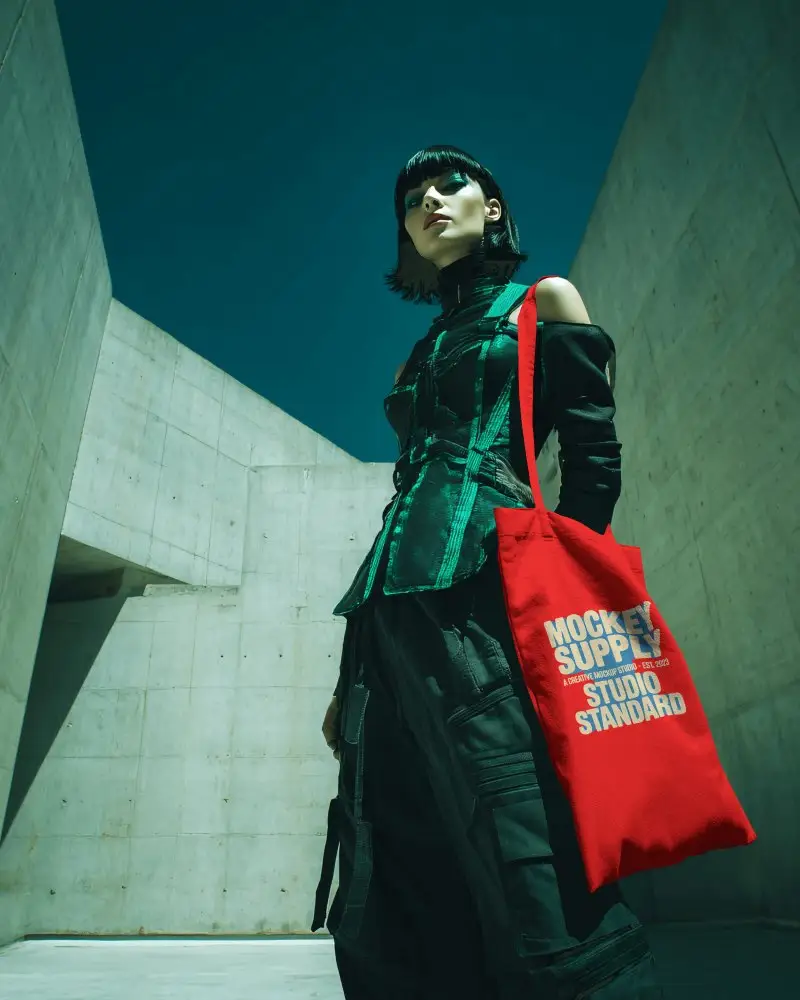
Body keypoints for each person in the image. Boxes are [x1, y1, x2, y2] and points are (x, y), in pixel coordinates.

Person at [313, 145, 663, 999]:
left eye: (449, 185)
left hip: (487, 591)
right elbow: (409, 493)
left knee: (515, 819)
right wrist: (343, 678)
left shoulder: (543, 302)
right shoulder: (419, 353)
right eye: (410, 200)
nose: (428, 201)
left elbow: (594, 464)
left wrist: (550, 588)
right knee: (387, 838)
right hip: (384, 614)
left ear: (494, 207)